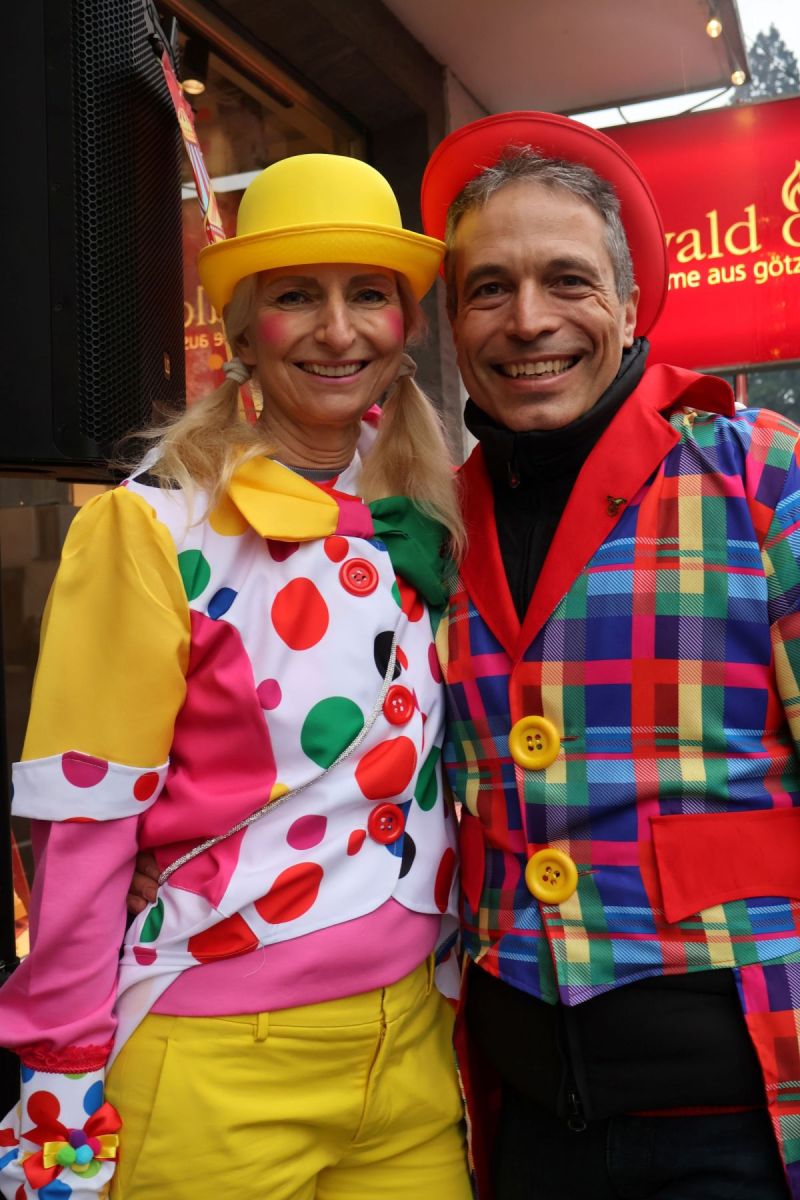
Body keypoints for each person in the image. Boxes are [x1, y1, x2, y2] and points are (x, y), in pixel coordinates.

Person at [0, 152, 472, 1200]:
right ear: (245, 330)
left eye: (368, 295)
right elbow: (83, 816)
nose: (338, 331)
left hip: (411, 1047)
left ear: (405, 324)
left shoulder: (432, 508)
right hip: (212, 1061)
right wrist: (62, 1064)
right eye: (296, 296)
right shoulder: (152, 525)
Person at [418, 112, 800, 1199]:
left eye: (567, 280)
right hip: (525, 1127)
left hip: (742, 1127)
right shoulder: (429, 525)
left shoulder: (760, 475)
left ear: (630, 307)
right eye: (488, 289)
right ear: (454, 325)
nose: (528, 320)